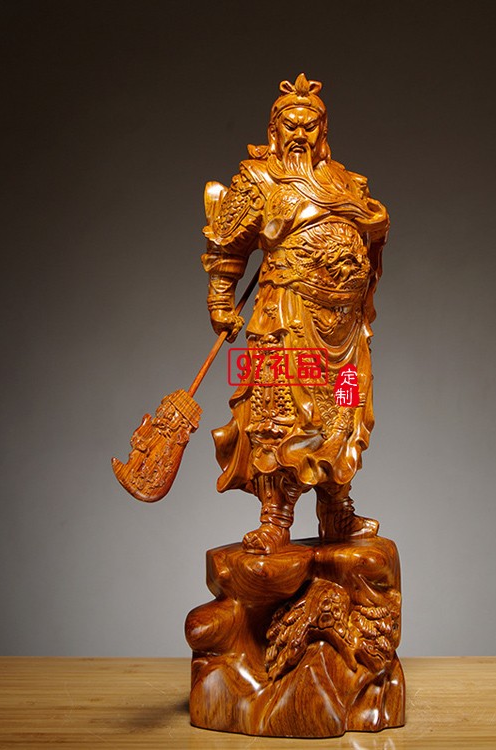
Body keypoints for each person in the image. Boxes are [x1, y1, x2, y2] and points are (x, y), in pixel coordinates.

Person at [201, 74, 389, 554]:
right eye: (291, 125)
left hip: (344, 330)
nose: (300, 134)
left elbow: (370, 229)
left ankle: (337, 510)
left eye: (310, 125)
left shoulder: (344, 182)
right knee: (281, 414)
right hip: (288, 316)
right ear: (274, 131)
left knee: (343, 412)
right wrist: (221, 299)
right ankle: (275, 517)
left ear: (323, 131)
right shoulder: (259, 180)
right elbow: (228, 244)